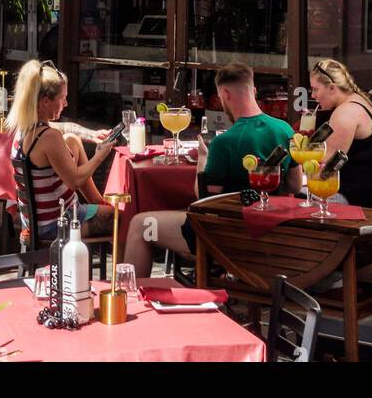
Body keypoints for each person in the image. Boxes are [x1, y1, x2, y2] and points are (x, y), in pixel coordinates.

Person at [122, 61, 302, 279]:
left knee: (140, 224)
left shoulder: (223, 142)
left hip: (225, 236)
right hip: (271, 230)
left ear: (225, 94)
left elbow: (205, 198)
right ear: (253, 91)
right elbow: (294, 185)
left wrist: (202, 162)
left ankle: (132, 301)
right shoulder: (284, 129)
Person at [8, 59, 115, 241]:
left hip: (35, 220)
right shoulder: (49, 137)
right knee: (121, 217)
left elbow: (65, 128)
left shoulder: (25, 127)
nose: (65, 104)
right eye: (62, 99)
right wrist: (100, 155)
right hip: (56, 223)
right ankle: (123, 266)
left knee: (72, 140)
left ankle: (97, 202)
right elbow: (75, 180)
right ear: (45, 101)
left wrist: (91, 134)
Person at [309, 58, 372, 208]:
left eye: (315, 89)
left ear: (332, 88)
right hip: (366, 193)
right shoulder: (364, 103)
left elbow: (325, 169)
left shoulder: (345, 113)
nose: (313, 95)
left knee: (288, 195)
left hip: (348, 196)